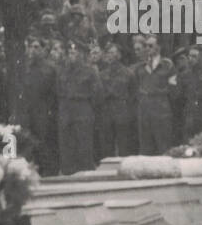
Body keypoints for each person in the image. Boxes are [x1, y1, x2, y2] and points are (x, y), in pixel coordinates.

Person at [56, 40, 102, 174]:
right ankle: (67, 172)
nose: (72, 55)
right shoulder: (63, 71)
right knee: (66, 143)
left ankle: (85, 173)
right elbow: (58, 90)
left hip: (83, 108)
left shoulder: (90, 71)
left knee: (84, 143)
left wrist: (87, 107)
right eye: (70, 52)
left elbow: (97, 94)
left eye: (75, 53)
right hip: (66, 109)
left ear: (82, 55)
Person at [19, 37, 60, 171]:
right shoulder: (26, 68)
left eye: (37, 47)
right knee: (30, 142)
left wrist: (50, 110)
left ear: (43, 50)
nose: (33, 50)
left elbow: (56, 92)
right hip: (30, 111)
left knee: (45, 142)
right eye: (31, 47)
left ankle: (49, 171)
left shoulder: (50, 69)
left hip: (44, 111)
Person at [135, 34, 178, 154]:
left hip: (161, 111)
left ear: (158, 47)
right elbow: (137, 88)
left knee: (163, 146)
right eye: (146, 46)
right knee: (145, 147)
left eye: (150, 46)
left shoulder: (167, 66)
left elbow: (174, 89)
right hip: (144, 112)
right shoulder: (141, 67)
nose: (147, 48)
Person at [96, 41, 136, 159]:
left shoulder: (128, 73)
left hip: (122, 111)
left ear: (119, 55)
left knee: (124, 145)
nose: (110, 55)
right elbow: (98, 94)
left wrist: (128, 112)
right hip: (107, 112)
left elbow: (133, 95)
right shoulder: (101, 74)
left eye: (113, 53)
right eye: (108, 53)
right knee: (107, 145)